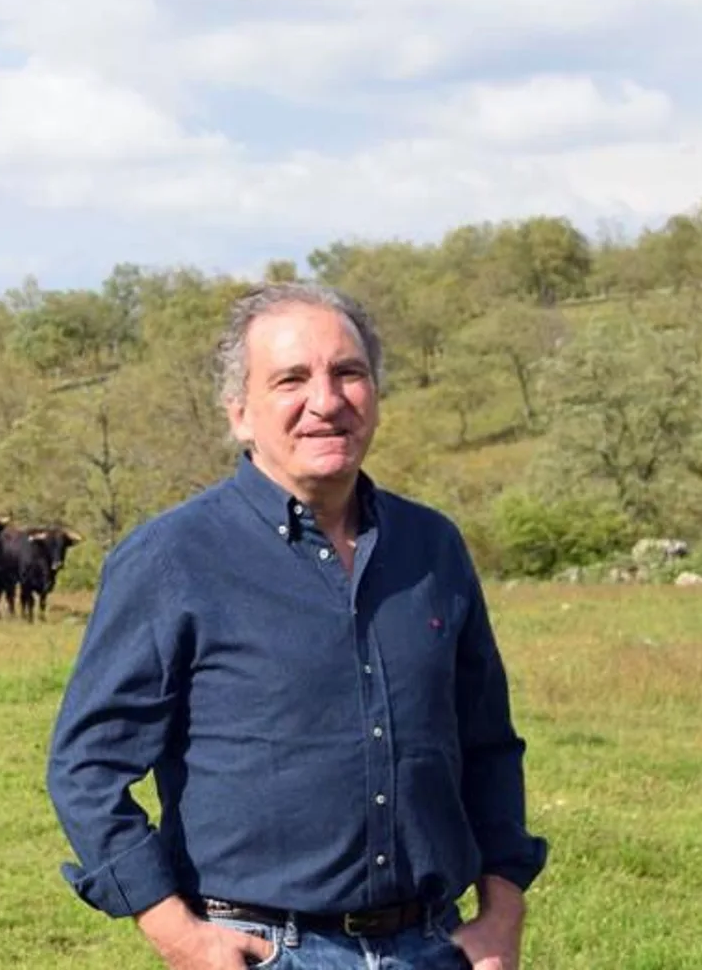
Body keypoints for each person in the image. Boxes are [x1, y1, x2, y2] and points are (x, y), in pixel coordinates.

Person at [45, 283, 547, 970]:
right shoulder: (173, 557)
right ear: (240, 414)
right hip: (263, 950)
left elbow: (488, 744)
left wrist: (503, 911)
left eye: (349, 372)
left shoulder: (432, 547)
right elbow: (85, 765)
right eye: (291, 379)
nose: (326, 400)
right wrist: (175, 931)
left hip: (434, 944)